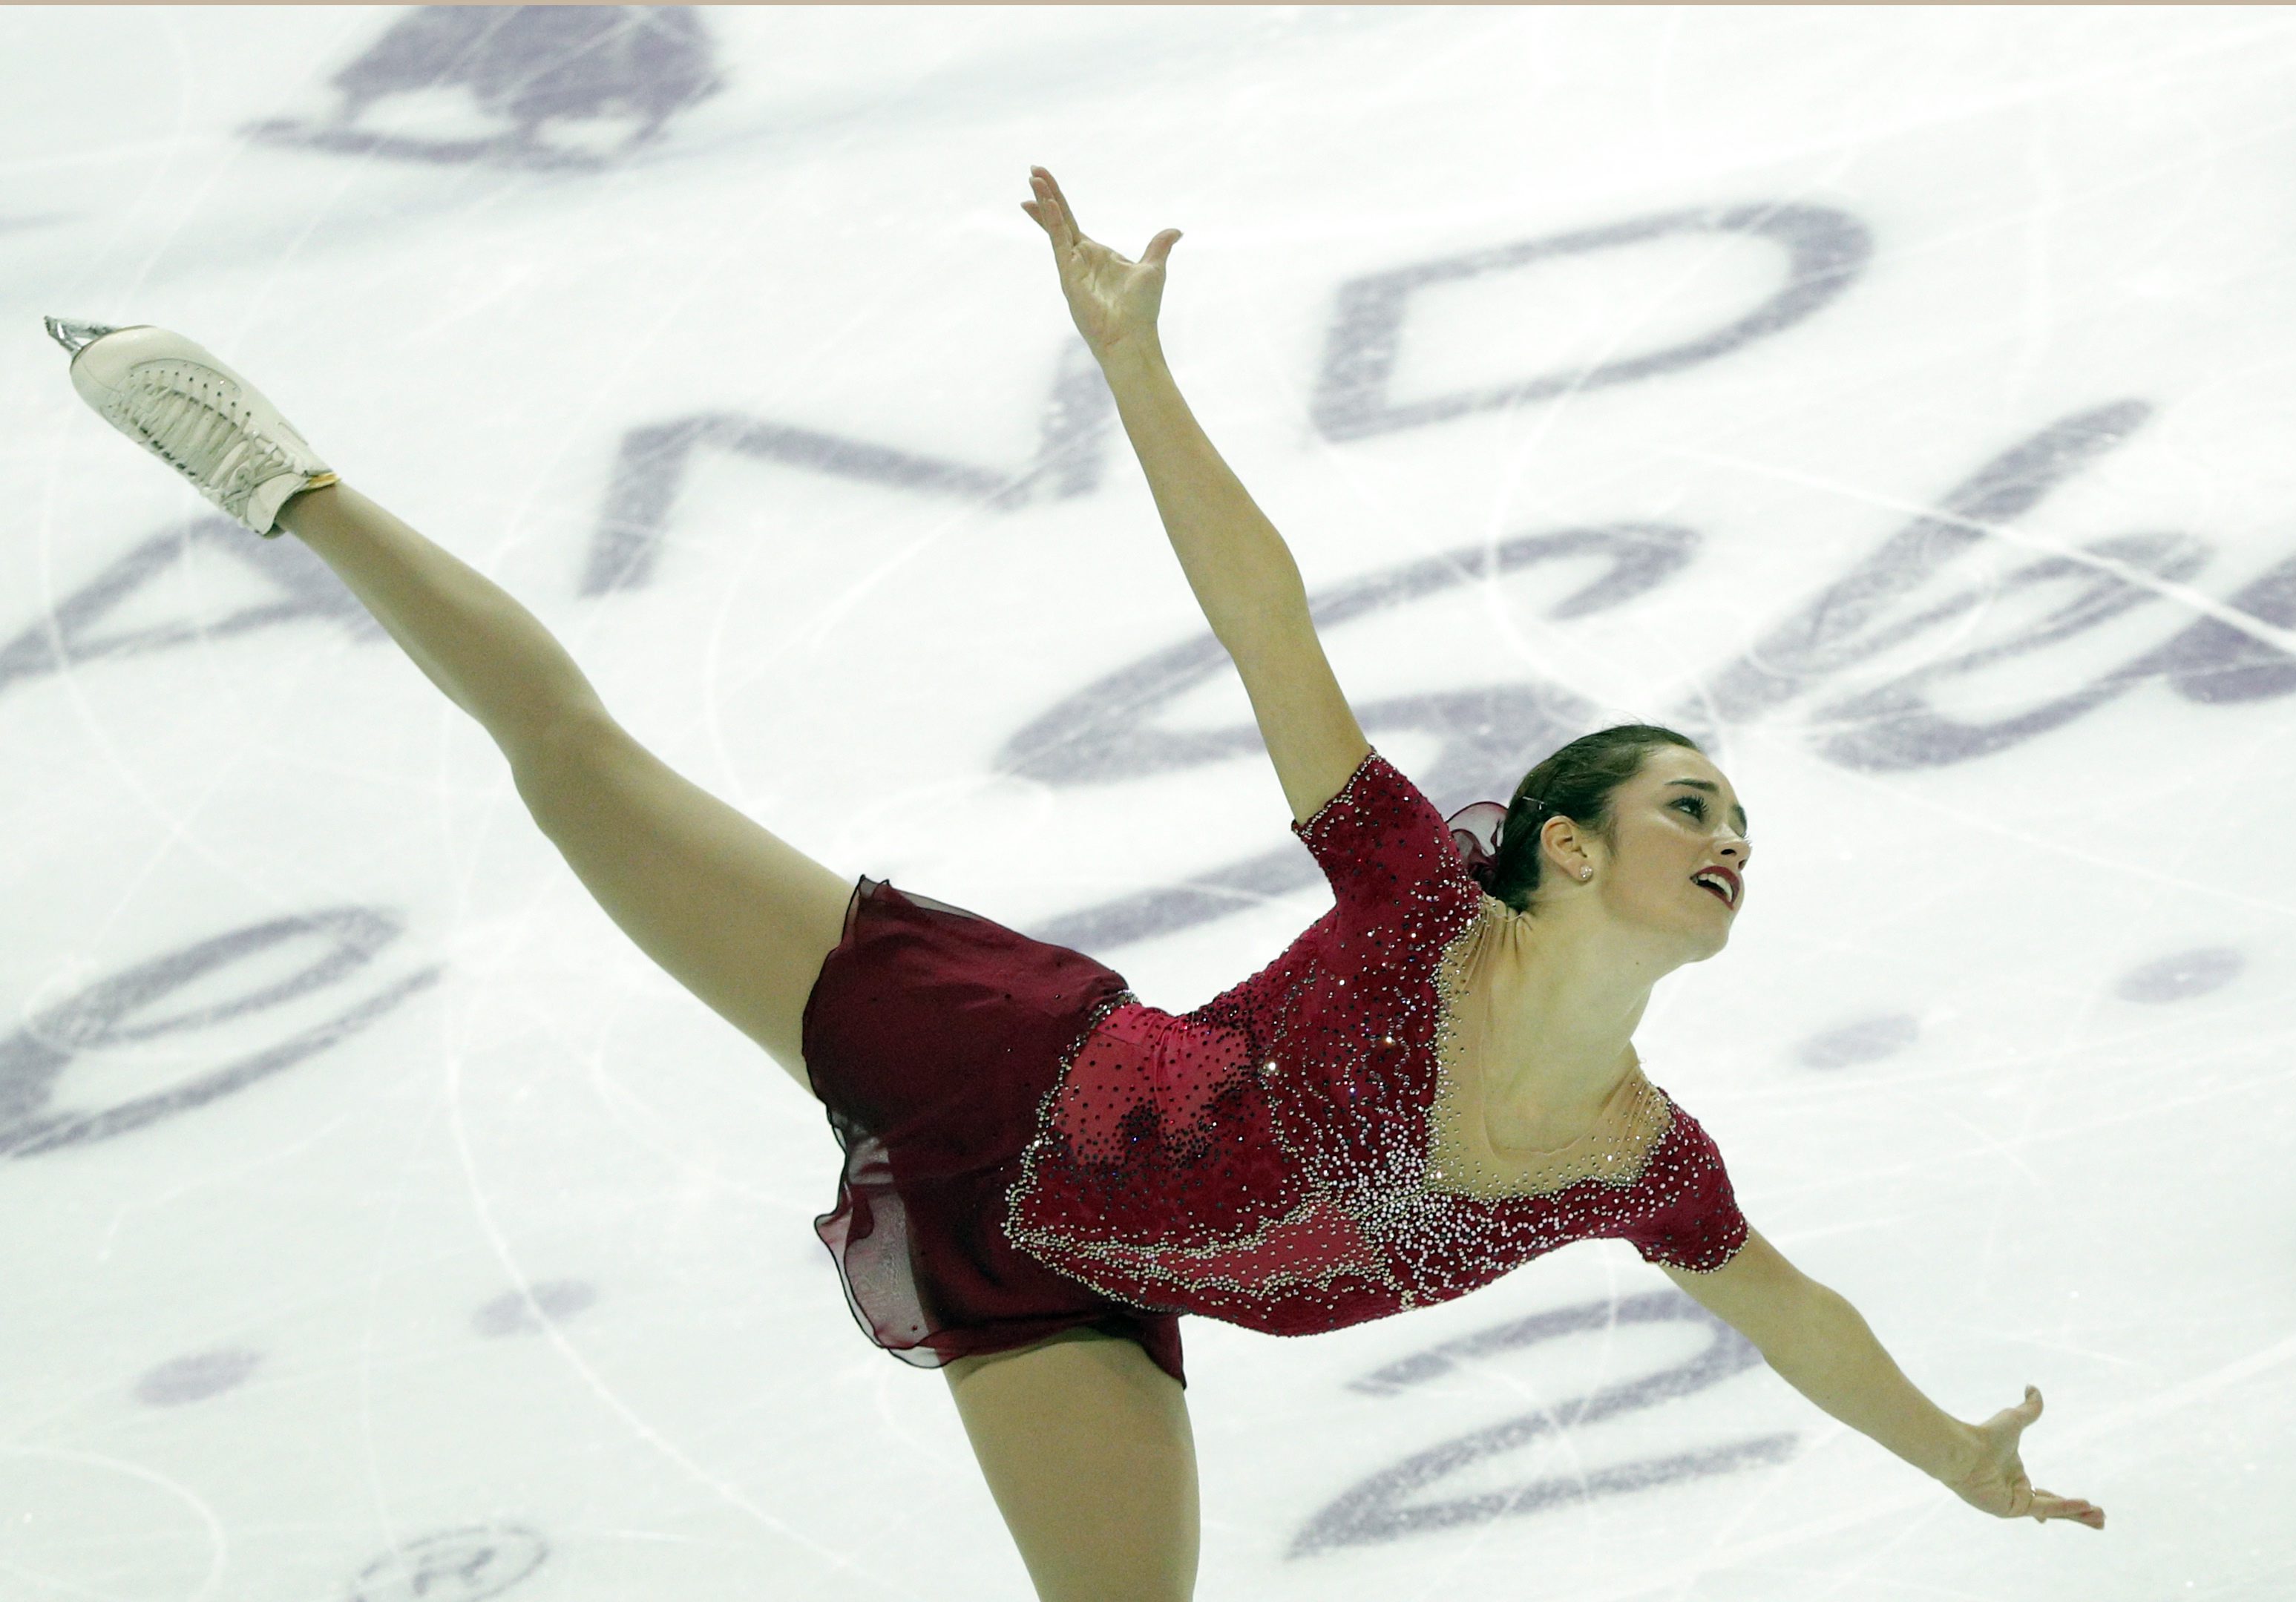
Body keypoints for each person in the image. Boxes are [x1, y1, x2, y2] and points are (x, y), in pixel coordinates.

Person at [45, 165, 2102, 1601]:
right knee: (584, 769)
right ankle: (281, 477)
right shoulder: (1412, 906)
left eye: (1742, 826)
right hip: (998, 1066)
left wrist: (1953, 1462)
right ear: (1566, 846)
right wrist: (1133, 363)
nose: (1733, 846)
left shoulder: (1643, 1164)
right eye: (1692, 808)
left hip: (1080, 1296)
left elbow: (1798, 1318)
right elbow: (1268, 625)